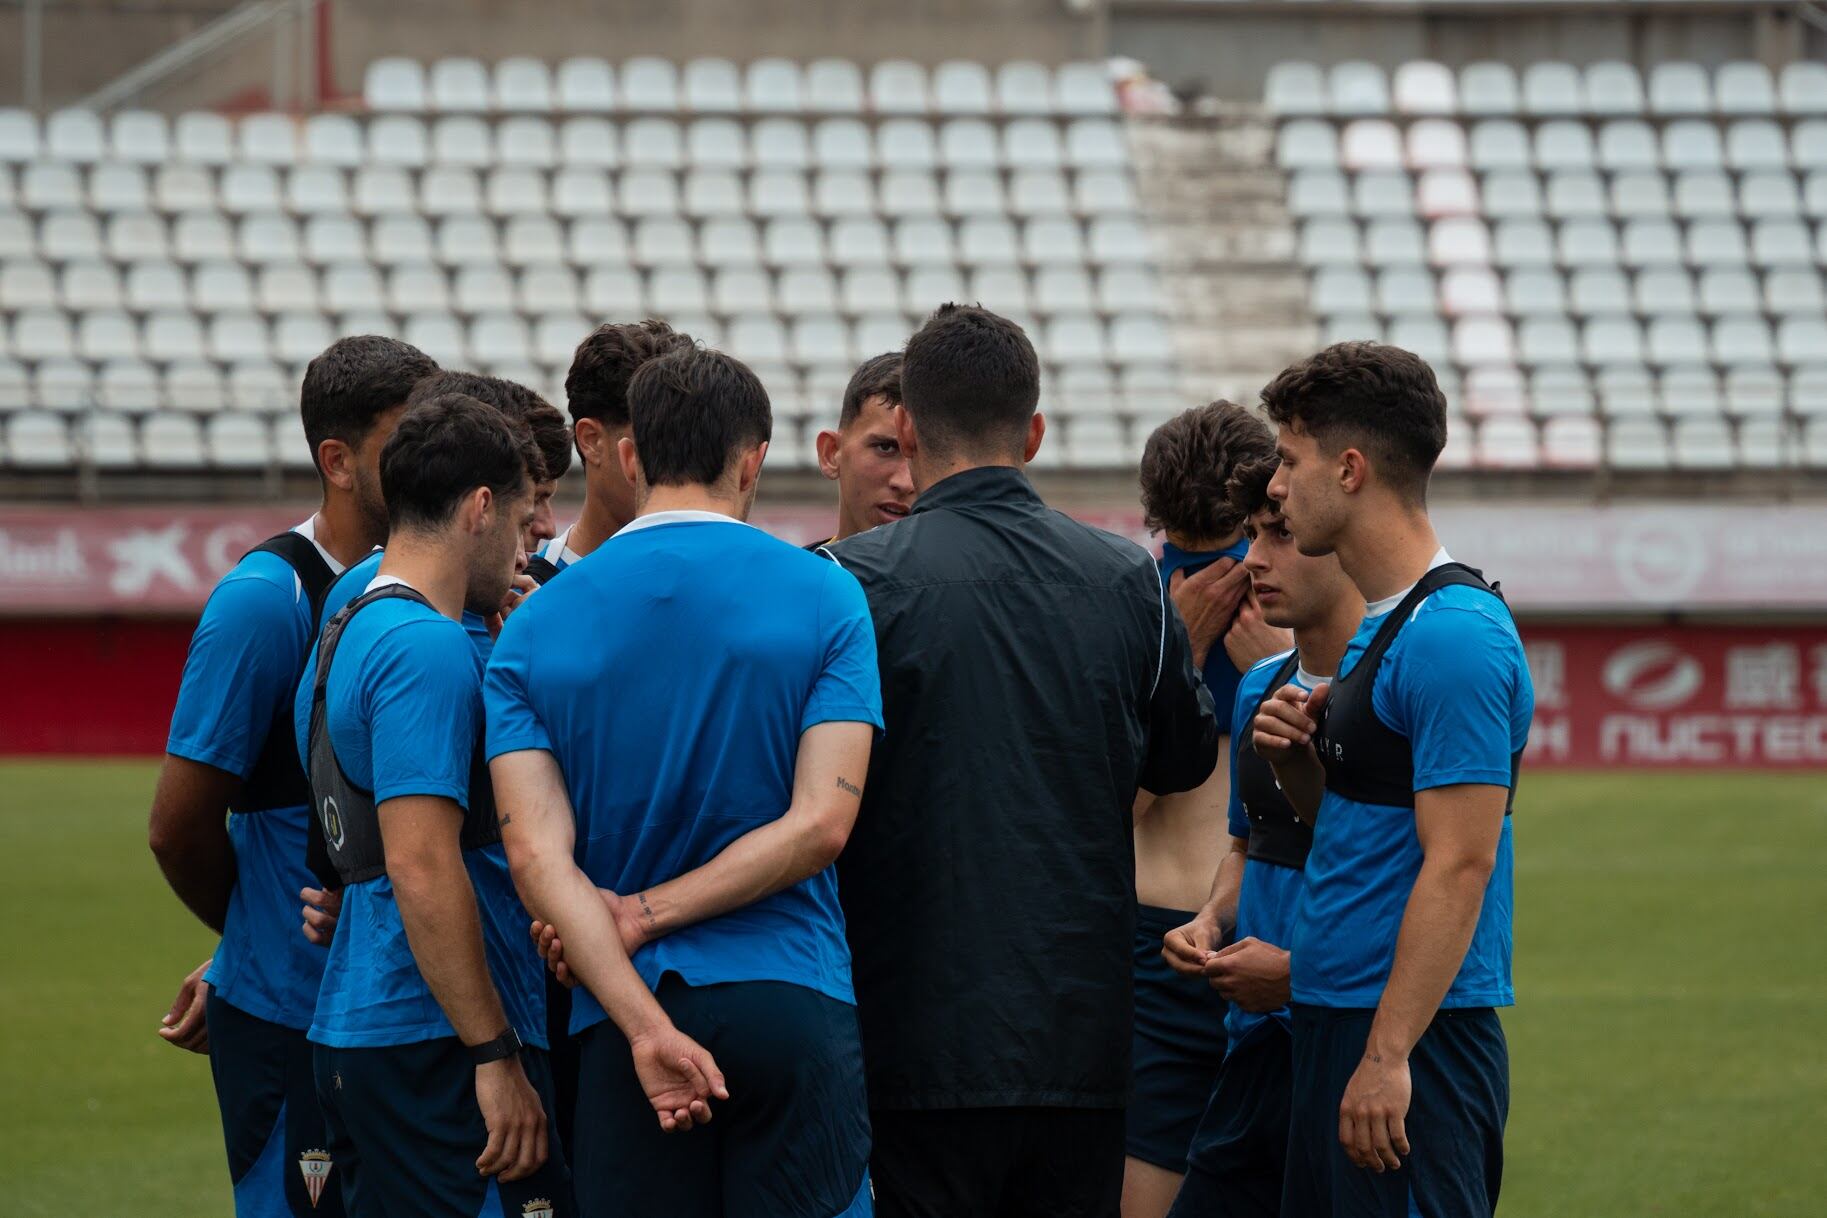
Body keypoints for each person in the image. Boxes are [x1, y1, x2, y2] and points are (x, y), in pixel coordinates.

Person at [824, 304, 1222, 1218]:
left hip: (906, 1034)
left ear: (912, 429)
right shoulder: (1127, 579)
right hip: (1077, 1039)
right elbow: (1182, 756)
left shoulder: (852, 582)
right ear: (1034, 433)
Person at [488, 347, 875, 1217]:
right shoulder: (825, 597)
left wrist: (645, 1024)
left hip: (619, 1018)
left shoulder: (531, 624)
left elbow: (534, 856)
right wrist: (648, 912)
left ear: (629, 456)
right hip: (791, 992)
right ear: (752, 460)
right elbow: (820, 826)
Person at [149, 334, 435, 1218]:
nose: (430, 459)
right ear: (338, 461)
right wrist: (251, 942)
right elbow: (179, 825)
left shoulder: (416, 590)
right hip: (288, 1015)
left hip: (384, 1007)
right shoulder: (267, 600)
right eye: (406, 441)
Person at [291, 394, 597, 1217]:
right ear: (480, 508)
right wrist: (493, 1053)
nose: (534, 537)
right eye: (527, 513)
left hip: (370, 1018)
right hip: (432, 1036)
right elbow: (420, 862)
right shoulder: (423, 647)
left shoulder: (346, 623)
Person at [1248, 342, 1532, 1218]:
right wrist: (1296, 761)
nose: (1278, 488)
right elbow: (1355, 829)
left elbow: (1459, 863)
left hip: (1414, 1041)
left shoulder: (1452, 634)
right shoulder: (1384, 626)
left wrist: (1387, 1054)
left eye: (1290, 463)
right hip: (1338, 1015)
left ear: (1350, 468)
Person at [1161, 453, 1364, 1218]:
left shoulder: (1396, 683)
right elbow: (1248, 848)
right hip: (1253, 1046)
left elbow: (1434, 872)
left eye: (1277, 535)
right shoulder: (1257, 685)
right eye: (1250, 535)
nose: (1252, 559)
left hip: (1348, 1041)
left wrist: (1302, 973)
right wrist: (1211, 919)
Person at [1125, 403, 1288, 1218]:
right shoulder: (1299, 606)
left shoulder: (1116, 607)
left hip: (1156, 939)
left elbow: (1106, 805)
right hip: (1258, 933)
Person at [531, 319, 698, 574]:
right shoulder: (527, 598)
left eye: (688, 446)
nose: (679, 469)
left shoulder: (711, 584)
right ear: (591, 440)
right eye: (656, 443)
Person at [805, 351, 915, 549]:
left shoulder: (975, 577)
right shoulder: (790, 578)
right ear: (831, 453)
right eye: (885, 448)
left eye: (920, 456)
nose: (904, 483)